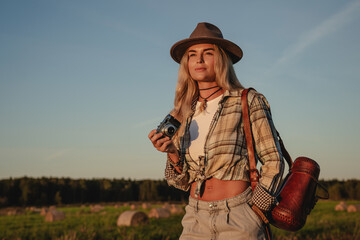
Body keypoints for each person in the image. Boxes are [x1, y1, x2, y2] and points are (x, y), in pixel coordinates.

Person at [148, 22, 284, 240]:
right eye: (192, 55)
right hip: (194, 217)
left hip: (239, 216)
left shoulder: (248, 101)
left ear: (221, 59)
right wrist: (172, 153)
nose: (199, 60)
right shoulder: (184, 112)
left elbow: (274, 160)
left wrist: (256, 210)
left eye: (207, 53)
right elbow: (182, 183)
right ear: (187, 63)